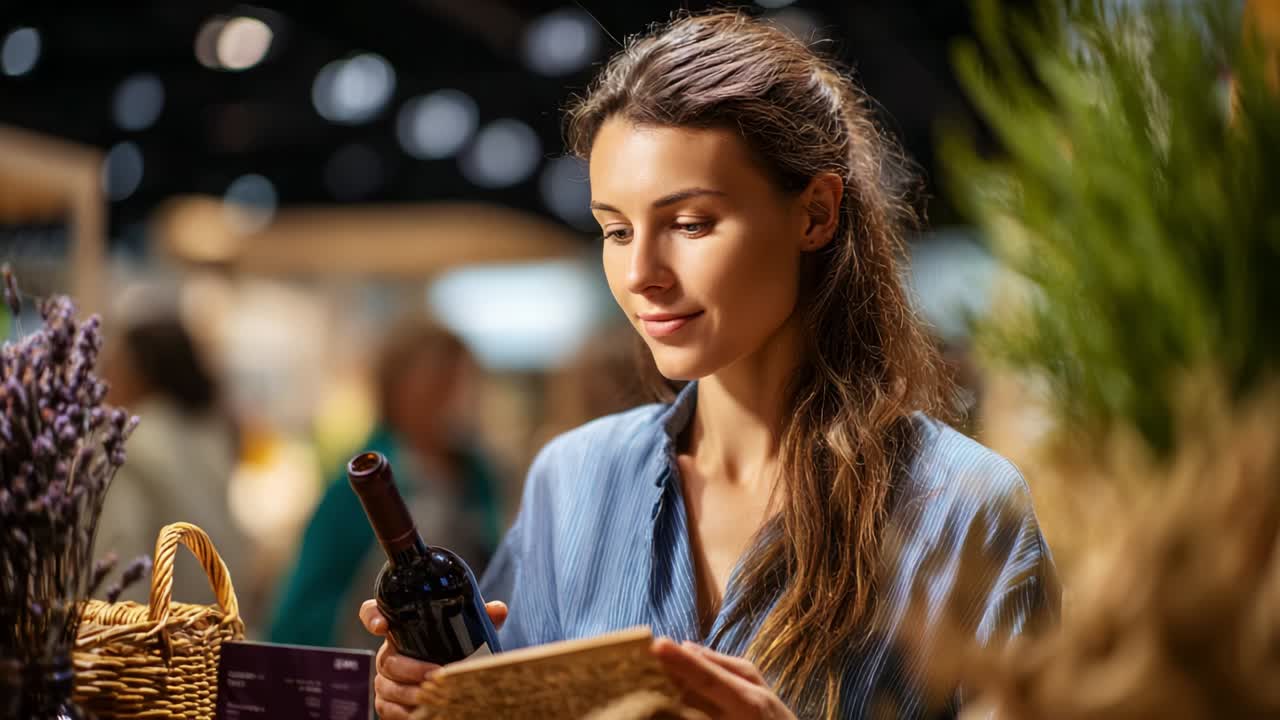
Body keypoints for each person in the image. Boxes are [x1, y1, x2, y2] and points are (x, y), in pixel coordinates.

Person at [361, 12, 1060, 720]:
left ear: (815, 214)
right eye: (616, 230)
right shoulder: (572, 484)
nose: (641, 274)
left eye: (690, 223)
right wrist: (435, 700)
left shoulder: (964, 510)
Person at [270, 318, 502, 651]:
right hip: (382, 678)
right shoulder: (361, 490)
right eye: (439, 383)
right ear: (396, 389)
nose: (455, 398)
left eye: (461, 382)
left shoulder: (477, 475)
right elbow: (299, 613)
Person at [97, 315, 247, 606]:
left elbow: (121, 560)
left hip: (154, 636)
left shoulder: (135, 448)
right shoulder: (209, 436)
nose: (105, 380)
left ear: (138, 373)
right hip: (212, 624)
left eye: (113, 366)